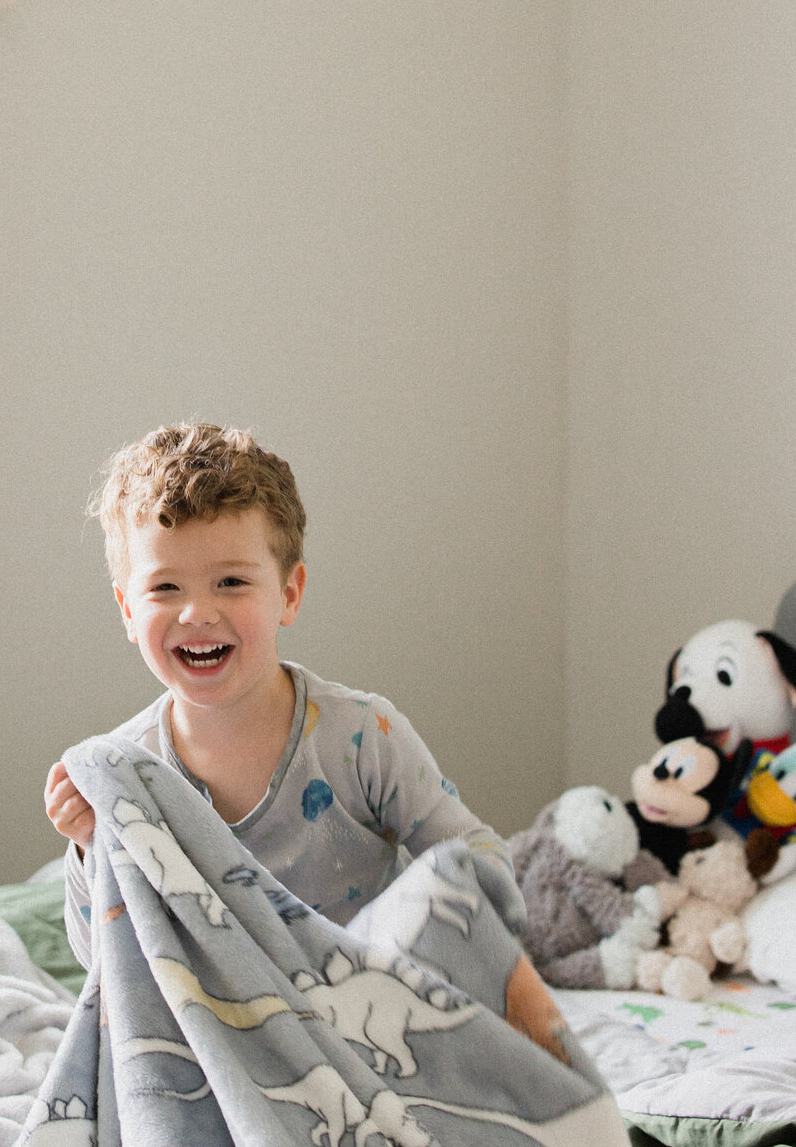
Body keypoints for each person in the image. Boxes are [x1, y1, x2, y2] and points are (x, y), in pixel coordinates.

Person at [44, 423, 560, 1052]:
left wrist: (437, 944)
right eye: (165, 588)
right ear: (128, 610)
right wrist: (85, 847)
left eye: (231, 582)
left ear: (288, 594)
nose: (197, 612)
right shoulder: (127, 772)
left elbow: (471, 853)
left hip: (362, 1011)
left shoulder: (361, 735)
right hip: (227, 1032)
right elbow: (104, 954)